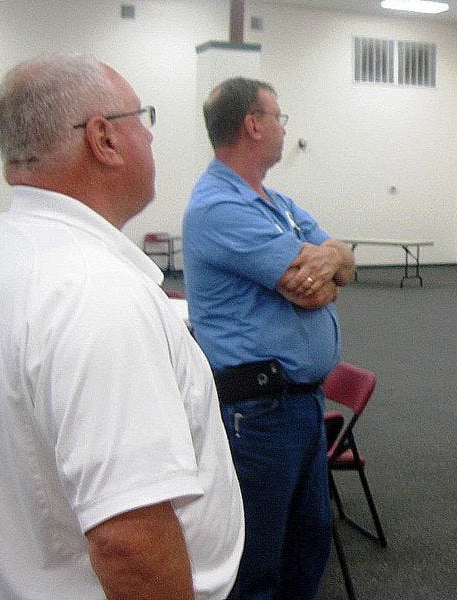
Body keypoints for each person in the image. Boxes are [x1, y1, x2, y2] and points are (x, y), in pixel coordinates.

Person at [0, 54, 244, 599]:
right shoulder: (94, 292)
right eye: (140, 117)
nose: (150, 136)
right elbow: (129, 541)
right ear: (104, 138)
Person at [183, 77, 355, 600]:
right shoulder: (219, 207)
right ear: (253, 125)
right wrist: (330, 266)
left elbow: (342, 259)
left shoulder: (274, 201)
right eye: (279, 117)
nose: (284, 128)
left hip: (301, 404)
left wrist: (333, 261)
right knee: (258, 562)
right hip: (257, 411)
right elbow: (308, 291)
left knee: (306, 549)